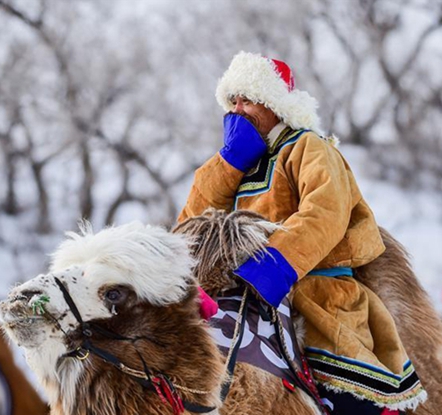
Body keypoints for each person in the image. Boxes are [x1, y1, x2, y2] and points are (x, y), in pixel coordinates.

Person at [178, 51, 426, 414]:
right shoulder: (236, 166)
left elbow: (324, 212)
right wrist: (230, 161)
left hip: (319, 298)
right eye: (233, 101)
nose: (238, 109)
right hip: (240, 302)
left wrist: (270, 268)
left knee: (348, 402)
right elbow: (191, 223)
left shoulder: (309, 148)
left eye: (248, 99)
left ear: (273, 103)